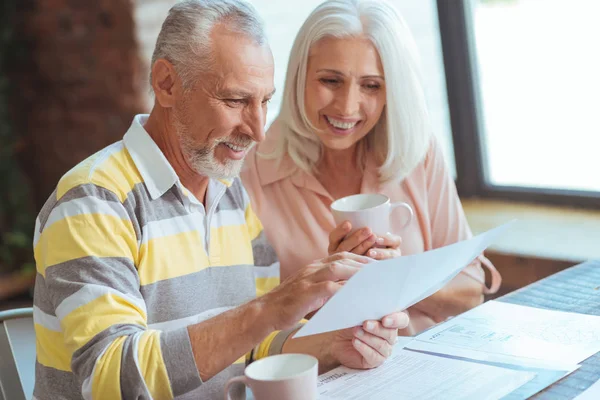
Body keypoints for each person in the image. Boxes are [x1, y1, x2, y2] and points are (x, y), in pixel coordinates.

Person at [31, 1, 409, 399]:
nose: (258, 130)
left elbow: (255, 347)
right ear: (166, 84)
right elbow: (112, 379)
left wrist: (336, 346)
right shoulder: (92, 202)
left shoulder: (230, 193)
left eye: (264, 101)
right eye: (235, 101)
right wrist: (270, 308)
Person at [241, 0, 502, 336]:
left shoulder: (417, 152)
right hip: (321, 376)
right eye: (331, 81)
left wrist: (398, 278)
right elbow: (246, 318)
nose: (347, 107)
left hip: (422, 369)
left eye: (371, 86)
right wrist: (331, 281)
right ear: (298, 76)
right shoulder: (251, 167)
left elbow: (470, 293)